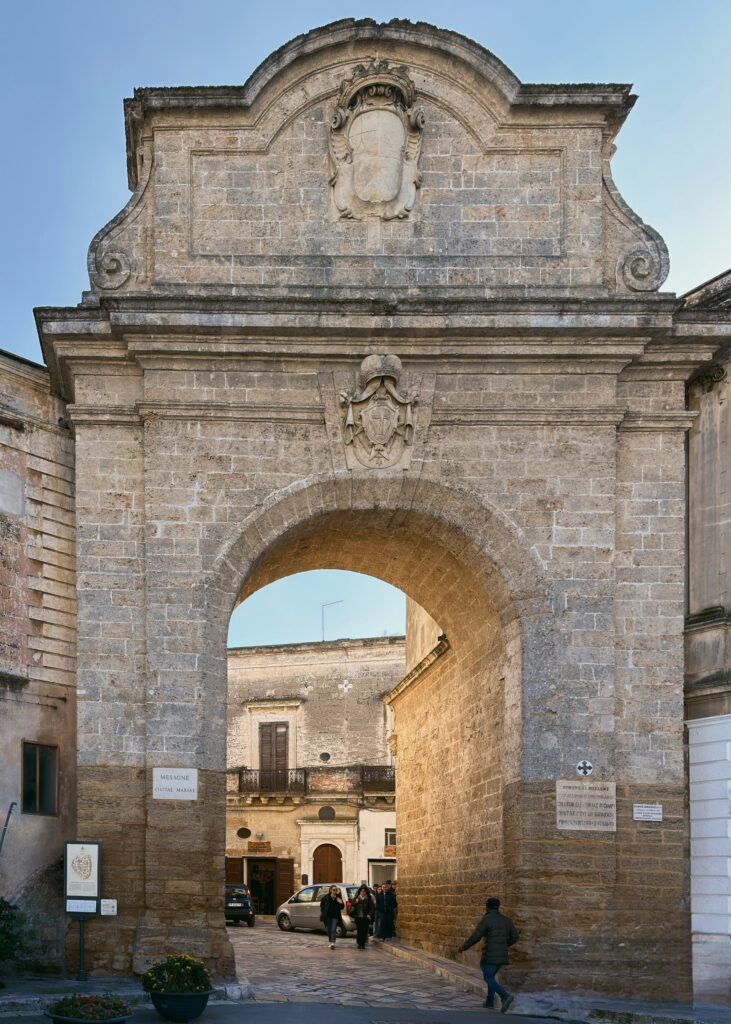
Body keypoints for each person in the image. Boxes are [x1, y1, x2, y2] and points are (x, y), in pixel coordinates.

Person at [458, 896, 518, 1012]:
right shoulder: (506, 920)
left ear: (487, 907)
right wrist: (504, 945)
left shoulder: (486, 919)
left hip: (489, 955)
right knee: (491, 977)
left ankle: (505, 996)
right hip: (501, 956)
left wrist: (463, 947)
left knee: (488, 977)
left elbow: (475, 936)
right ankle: (489, 1002)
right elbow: (515, 937)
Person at [350, 883, 375, 949]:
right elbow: (352, 904)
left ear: (366, 892)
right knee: (359, 931)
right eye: (361, 891)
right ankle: (359, 943)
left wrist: (369, 914)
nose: (363, 892)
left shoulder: (369, 899)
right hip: (358, 917)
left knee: (364, 931)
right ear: (359, 891)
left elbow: (372, 908)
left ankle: (363, 943)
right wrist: (356, 902)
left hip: (365, 917)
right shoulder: (357, 897)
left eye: (364, 891)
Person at [319, 884, 345, 949]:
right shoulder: (326, 898)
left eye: (336, 890)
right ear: (330, 890)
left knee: (333, 929)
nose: (335, 891)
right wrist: (323, 913)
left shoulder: (338, 898)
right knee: (329, 930)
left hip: (335, 916)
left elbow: (342, 907)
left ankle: (333, 942)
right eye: (333, 890)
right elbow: (322, 906)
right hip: (327, 916)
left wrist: (340, 903)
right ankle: (331, 941)